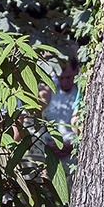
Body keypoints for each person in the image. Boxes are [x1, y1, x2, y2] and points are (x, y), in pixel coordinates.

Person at [40, 57, 80, 190]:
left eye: (68, 77)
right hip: (50, 149)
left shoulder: (81, 90)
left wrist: (71, 146)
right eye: (61, 78)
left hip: (72, 151)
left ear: (76, 71)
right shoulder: (50, 88)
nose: (64, 82)